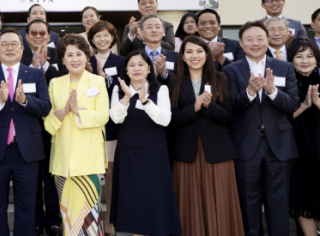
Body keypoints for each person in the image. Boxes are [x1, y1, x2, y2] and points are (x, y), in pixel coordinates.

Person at [0, 29, 52, 236]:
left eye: (14, 44)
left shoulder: (35, 74)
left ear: (22, 48)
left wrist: (25, 101)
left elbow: (45, 107)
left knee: (27, 206)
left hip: (27, 151)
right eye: (4, 44)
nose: (9, 48)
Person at [223, 21, 299, 236]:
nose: (255, 43)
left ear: (268, 41)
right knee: (248, 202)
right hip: (246, 146)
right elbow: (229, 108)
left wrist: (273, 91)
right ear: (241, 43)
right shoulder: (230, 71)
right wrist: (248, 92)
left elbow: (293, 104)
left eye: (259, 38)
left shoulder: (286, 67)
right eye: (249, 39)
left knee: (279, 202)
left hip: (280, 145)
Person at [168, 36, 244, 236]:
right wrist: (194, 107)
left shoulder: (220, 78)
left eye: (200, 51)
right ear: (182, 56)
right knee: (189, 200)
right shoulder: (173, 82)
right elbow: (170, 118)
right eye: (190, 51)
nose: (195, 56)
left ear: (207, 54)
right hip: (186, 150)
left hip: (217, 149)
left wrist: (209, 106)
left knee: (219, 198)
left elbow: (228, 116)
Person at [108, 50, 181, 236]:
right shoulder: (118, 90)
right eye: (131, 65)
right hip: (128, 151)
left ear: (149, 68)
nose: (136, 68)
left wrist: (145, 101)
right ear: (126, 69)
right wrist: (126, 98)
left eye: (141, 64)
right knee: (132, 196)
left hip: (154, 151)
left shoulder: (160, 89)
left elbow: (165, 120)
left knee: (153, 195)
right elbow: (115, 119)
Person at [44, 34, 109, 236]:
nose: (74, 59)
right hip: (62, 161)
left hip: (89, 161)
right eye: (69, 55)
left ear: (86, 57)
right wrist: (64, 111)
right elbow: (48, 123)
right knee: (69, 217)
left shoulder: (97, 82)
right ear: (62, 59)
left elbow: (103, 117)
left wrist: (78, 110)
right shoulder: (55, 83)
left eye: (79, 54)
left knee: (89, 215)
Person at [20, 19, 63, 236]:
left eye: (42, 33)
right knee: (33, 179)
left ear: (49, 36)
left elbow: (60, 83)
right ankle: (36, 221)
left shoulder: (58, 55)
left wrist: (45, 66)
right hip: (28, 128)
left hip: (52, 129)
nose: (38, 36)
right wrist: (33, 68)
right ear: (26, 37)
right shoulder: (20, 55)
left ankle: (54, 221)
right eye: (33, 33)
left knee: (50, 177)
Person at [86, 20, 124, 235]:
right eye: (97, 35)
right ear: (91, 39)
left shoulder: (122, 61)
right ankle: (91, 220)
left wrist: (104, 79)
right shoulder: (85, 60)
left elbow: (124, 87)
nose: (102, 39)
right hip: (90, 124)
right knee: (91, 172)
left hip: (112, 125)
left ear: (113, 37)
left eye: (106, 35)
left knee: (110, 174)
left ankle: (109, 221)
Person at [287, 38, 320, 235]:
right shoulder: (287, 83)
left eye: (310, 56)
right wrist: (305, 106)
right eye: (299, 56)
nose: (305, 60)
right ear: (291, 60)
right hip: (297, 150)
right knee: (303, 196)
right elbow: (281, 119)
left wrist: (317, 103)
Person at [138, 14, 179, 84]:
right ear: (141, 33)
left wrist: (165, 73)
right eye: (149, 27)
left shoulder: (176, 57)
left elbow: (181, 82)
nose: (154, 30)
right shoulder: (135, 57)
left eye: (157, 27)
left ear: (163, 32)